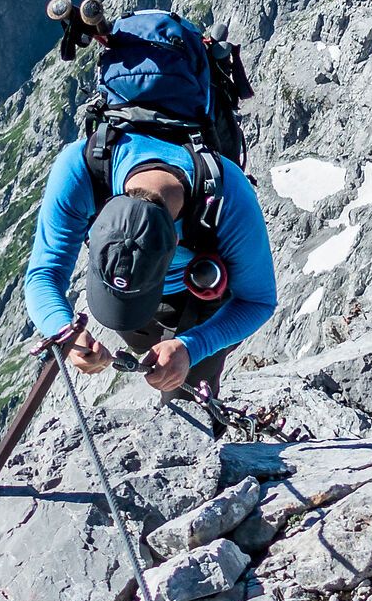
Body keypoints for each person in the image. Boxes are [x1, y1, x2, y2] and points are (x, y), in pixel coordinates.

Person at [22, 126, 277, 409]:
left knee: (184, 398)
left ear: (176, 240)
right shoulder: (81, 170)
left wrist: (192, 347)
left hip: (199, 299)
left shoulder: (230, 197)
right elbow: (43, 274)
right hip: (144, 306)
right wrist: (65, 331)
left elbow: (258, 301)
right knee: (150, 352)